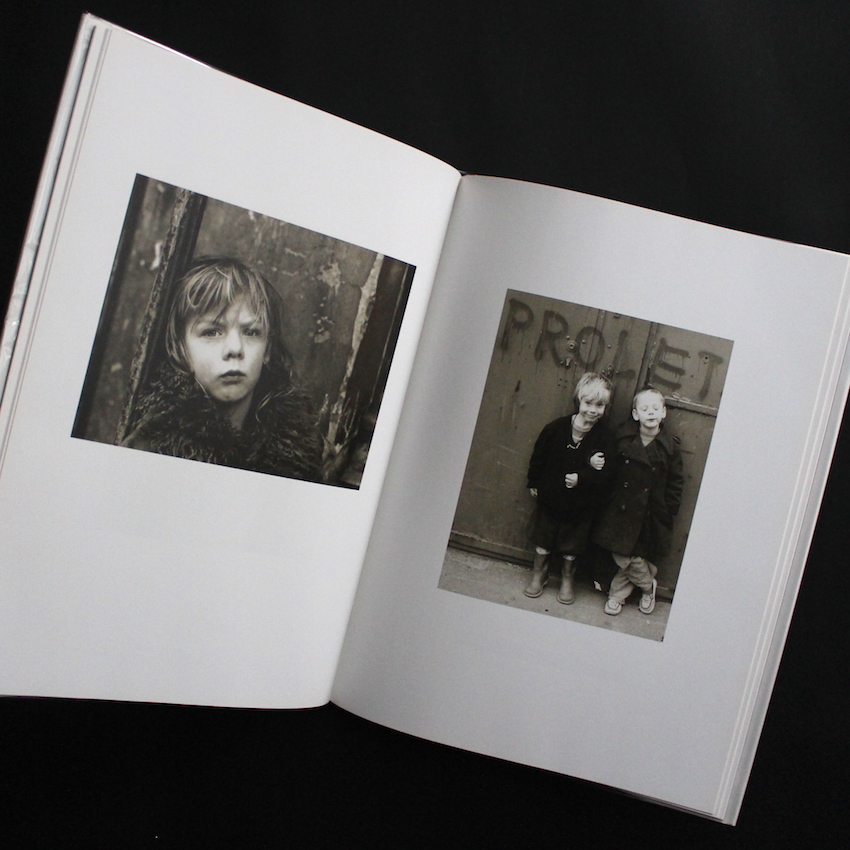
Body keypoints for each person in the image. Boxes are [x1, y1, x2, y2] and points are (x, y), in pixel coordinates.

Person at [121, 257, 323, 481]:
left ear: (267, 349)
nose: (235, 349)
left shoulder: (301, 452)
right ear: (181, 348)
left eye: (251, 332)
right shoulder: (151, 450)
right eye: (211, 332)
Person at [591, 387, 684, 615]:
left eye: (655, 408)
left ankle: (616, 595)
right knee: (622, 552)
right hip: (620, 507)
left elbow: (675, 481)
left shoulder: (669, 448)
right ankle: (648, 585)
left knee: (633, 554)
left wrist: (669, 509)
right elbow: (610, 469)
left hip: (650, 511)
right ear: (635, 414)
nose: (650, 412)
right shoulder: (622, 437)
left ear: (663, 412)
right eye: (645, 408)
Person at [524, 372, 614, 603]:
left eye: (600, 405)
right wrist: (534, 482)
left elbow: (607, 476)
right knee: (543, 540)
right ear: (578, 400)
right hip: (551, 498)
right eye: (588, 403)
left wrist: (582, 477)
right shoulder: (555, 429)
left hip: (581, 505)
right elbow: (539, 457)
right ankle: (540, 573)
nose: (593, 410)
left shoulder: (604, 437)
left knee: (572, 546)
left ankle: (567, 578)